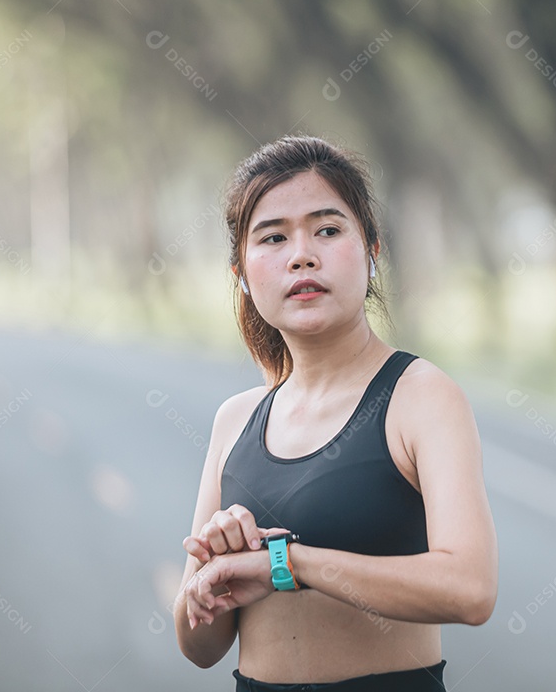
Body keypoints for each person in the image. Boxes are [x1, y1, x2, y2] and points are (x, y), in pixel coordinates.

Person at [172, 135, 499, 691]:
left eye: (327, 230)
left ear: (372, 251)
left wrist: (288, 565)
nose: (302, 253)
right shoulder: (236, 419)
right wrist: (214, 579)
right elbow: (198, 645)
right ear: (243, 277)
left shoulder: (420, 397)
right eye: (273, 237)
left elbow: (470, 590)